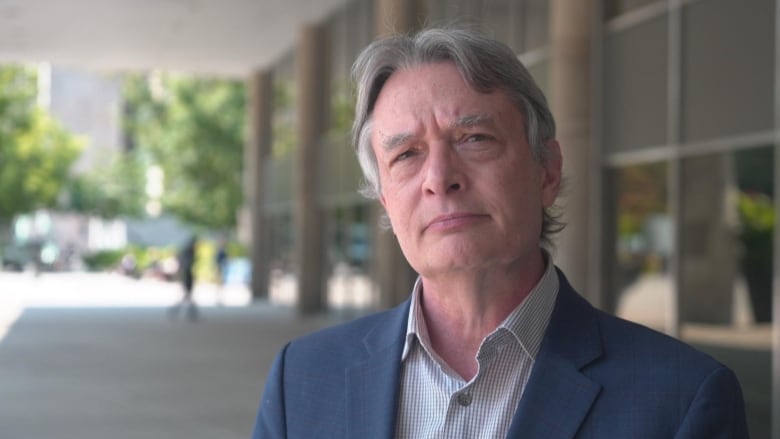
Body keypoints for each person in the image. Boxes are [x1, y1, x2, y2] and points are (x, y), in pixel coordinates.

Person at [252, 27, 749, 438]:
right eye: (406, 155)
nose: (439, 177)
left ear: (547, 171)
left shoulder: (682, 399)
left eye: (474, 138)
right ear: (386, 199)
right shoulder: (301, 381)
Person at [168, 235, 199, 321]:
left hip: (187, 274)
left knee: (187, 296)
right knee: (188, 296)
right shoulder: (189, 252)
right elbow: (186, 263)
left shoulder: (187, 251)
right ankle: (189, 313)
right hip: (187, 275)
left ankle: (177, 311)